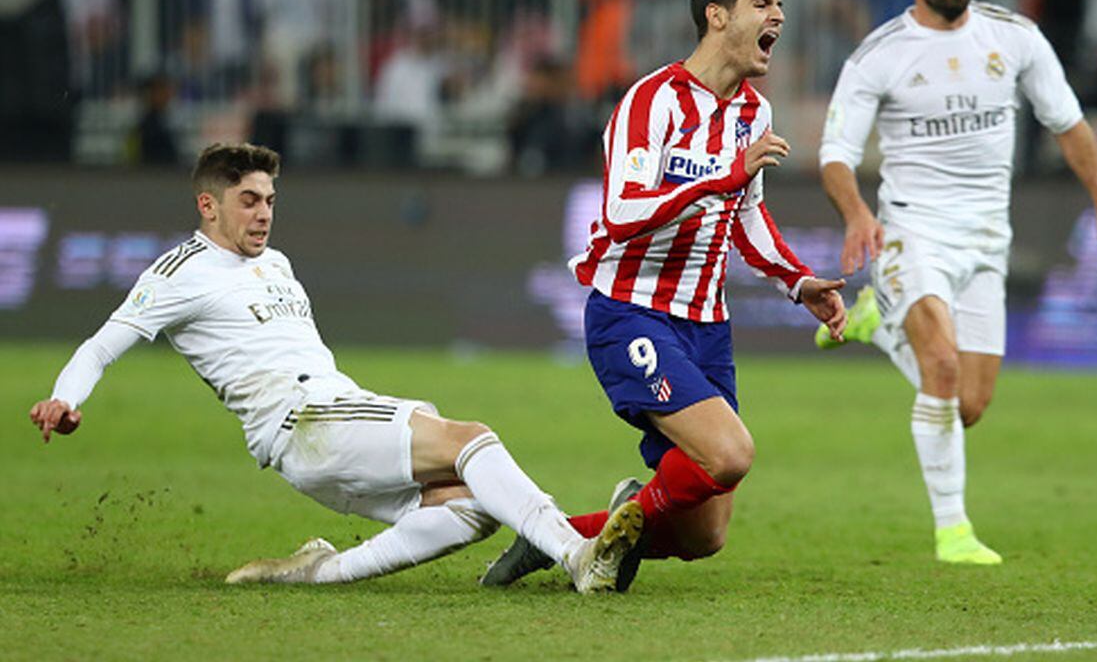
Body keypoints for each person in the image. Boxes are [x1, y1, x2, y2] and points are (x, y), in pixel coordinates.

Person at [29, 142, 642, 592]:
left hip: (329, 420)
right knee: (472, 439)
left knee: (473, 505)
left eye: (270, 199)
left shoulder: (278, 263)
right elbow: (102, 343)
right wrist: (64, 397)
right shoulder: (179, 272)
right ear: (208, 206)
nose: (264, 213)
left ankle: (317, 572)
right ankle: (576, 554)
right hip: (303, 420)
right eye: (248, 201)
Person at [481, 0, 848, 590]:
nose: (778, 16)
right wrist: (722, 177)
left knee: (703, 536)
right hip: (633, 311)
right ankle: (597, 541)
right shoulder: (651, 101)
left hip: (708, 326)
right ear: (717, 15)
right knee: (731, 455)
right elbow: (622, 213)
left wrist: (797, 281)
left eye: (779, 6)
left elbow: (747, 213)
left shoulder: (752, 114)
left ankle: (557, 536)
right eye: (762, 4)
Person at [815, 0, 1097, 565]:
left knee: (967, 404)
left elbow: (1069, 125)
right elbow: (835, 154)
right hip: (912, 231)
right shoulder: (880, 54)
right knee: (939, 367)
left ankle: (877, 323)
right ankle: (953, 531)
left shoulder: (1014, 37)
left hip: (987, 238)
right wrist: (856, 214)